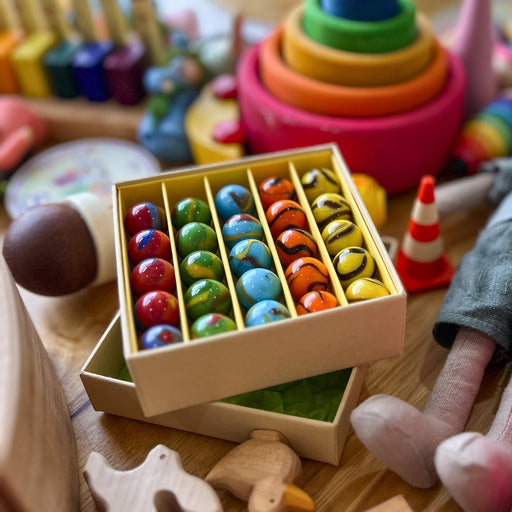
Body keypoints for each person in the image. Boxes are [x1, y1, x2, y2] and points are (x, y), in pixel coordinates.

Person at [351, 161, 512, 512]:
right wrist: (432, 203)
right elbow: (483, 185)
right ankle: (433, 434)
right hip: (499, 258)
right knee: (472, 335)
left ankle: (503, 461)